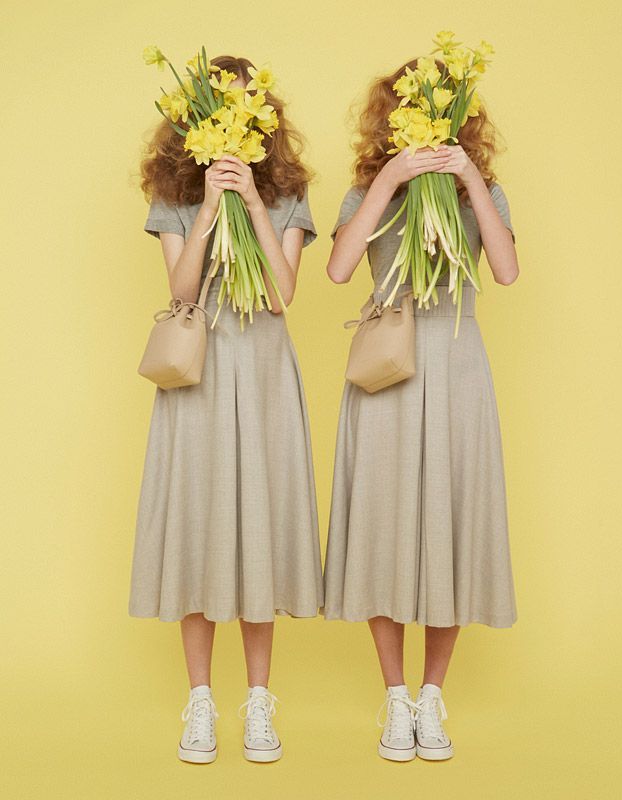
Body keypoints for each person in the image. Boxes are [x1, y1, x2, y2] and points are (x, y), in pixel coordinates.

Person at [323, 57, 519, 762]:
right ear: (393, 118)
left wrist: (466, 177)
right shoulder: (365, 192)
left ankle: (433, 697)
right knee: (382, 526)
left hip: (458, 364)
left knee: (455, 526)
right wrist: (388, 182)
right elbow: (340, 269)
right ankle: (396, 696)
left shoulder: (482, 191)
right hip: (386, 369)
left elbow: (503, 270)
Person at [128, 55, 323, 764]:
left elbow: (280, 296)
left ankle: (259, 703)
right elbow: (183, 294)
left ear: (261, 119)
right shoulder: (173, 195)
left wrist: (252, 208)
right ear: (196, 121)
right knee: (198, 527)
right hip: (200, 375)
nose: (231, 123)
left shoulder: (290, 194)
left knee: (259, 531)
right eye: (218, 110)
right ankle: (201, 701)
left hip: (265, 372)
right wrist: (211, 208)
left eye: (243, 109)